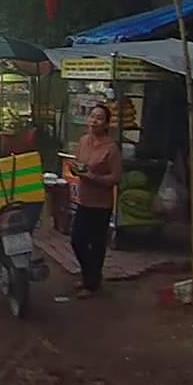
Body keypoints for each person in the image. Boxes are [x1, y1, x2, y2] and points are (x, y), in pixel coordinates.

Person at [70, 103, 122, 298]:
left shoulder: (111, 148)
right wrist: (76, 170)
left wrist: (93, 177)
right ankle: (89, 275)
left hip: (101, 203)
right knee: (77, 240)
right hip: (83, 199)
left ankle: (91, 283)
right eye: (92, 117)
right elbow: (78, 164)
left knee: (96, 244)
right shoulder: (83, 141)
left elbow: (116, 178)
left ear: (106, 124)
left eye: (99, 118)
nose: (94, 121)